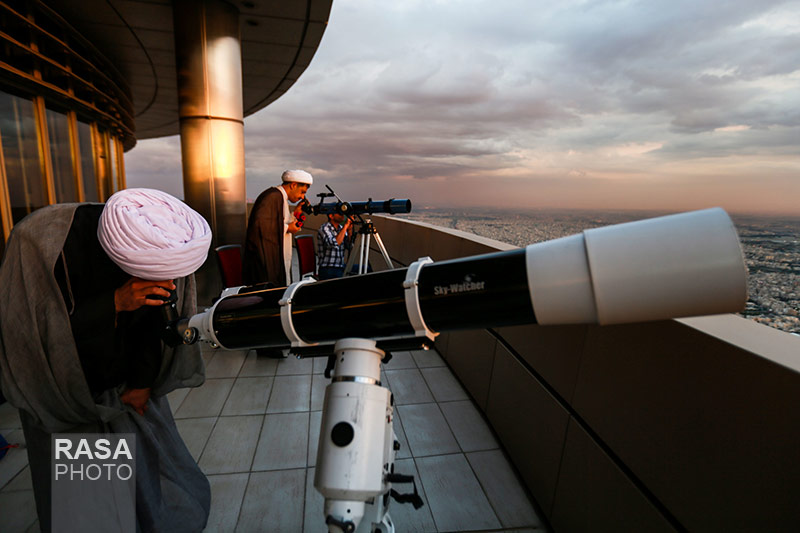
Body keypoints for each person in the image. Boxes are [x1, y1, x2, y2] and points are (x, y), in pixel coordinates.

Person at [0, 188, 212, 532]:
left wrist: (142, 382)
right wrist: (113, 303)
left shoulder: (157, 234)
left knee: (145, 489)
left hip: (127, 390)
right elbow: (28, 335)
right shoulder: (41, 243)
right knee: (90, 506)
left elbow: (155, 321)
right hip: (70, 395)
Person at [243, 169, 313, 287]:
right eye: (302, 192)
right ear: (293, 185)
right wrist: (287, 228)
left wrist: (296, 213)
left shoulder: (280, 197)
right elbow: (260, 226)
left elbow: (278, 222)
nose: (302, 197)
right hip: (264, 259)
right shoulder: (272, 196)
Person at [317, 212, 355, 280]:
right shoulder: (324, 228)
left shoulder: (341, 228)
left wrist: (349, 231)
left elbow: (349, 247)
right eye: (339, 213)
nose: (342, 215)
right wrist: (345, 226)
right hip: (328, 268)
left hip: (340, 266)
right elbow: (335, 243)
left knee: (366, 269)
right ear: (331, 216)